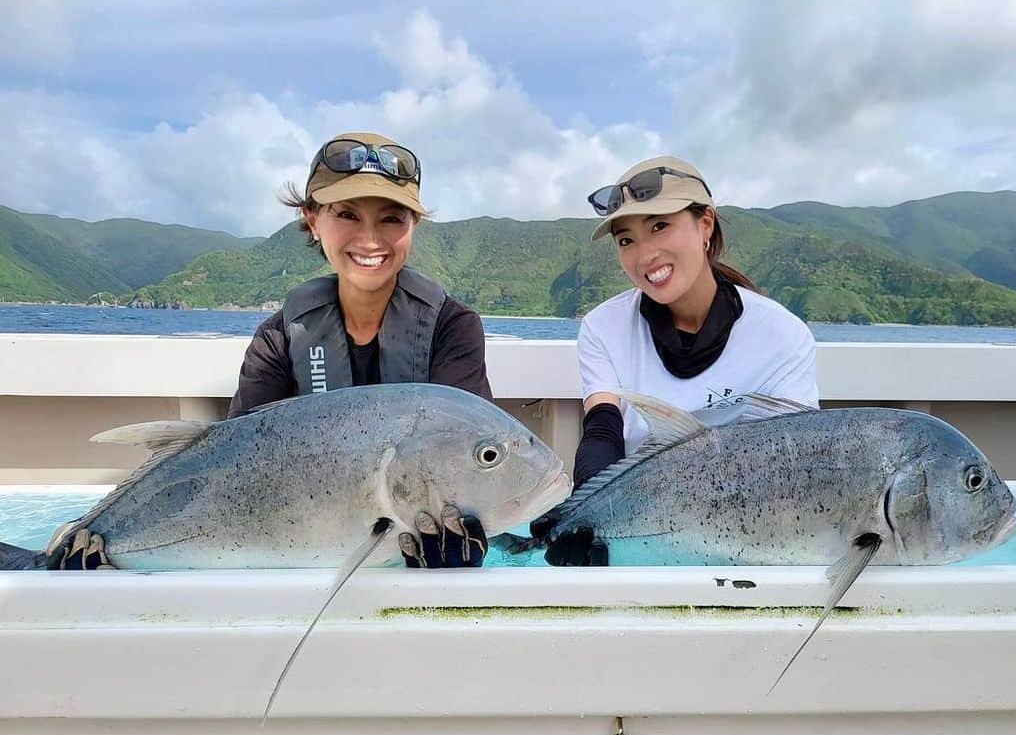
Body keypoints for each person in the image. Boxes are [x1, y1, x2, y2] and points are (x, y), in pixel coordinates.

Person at [63, 132, 490, 569]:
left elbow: (463, 459)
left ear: (413, 225)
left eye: (392, 218)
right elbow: (232, 464)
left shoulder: (452, 329)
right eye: (346, 214)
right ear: (311, 219)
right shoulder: (282, 337)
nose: (370, 239)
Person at [540, 156, 819, 566]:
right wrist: (586, 512)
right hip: (640, 524)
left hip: (749, 540)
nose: (644, 254)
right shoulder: (604, 327)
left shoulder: (782, 336)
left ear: (705, 224)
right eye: (626, 240)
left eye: (659, 226)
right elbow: (603, 429)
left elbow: (788, 468)